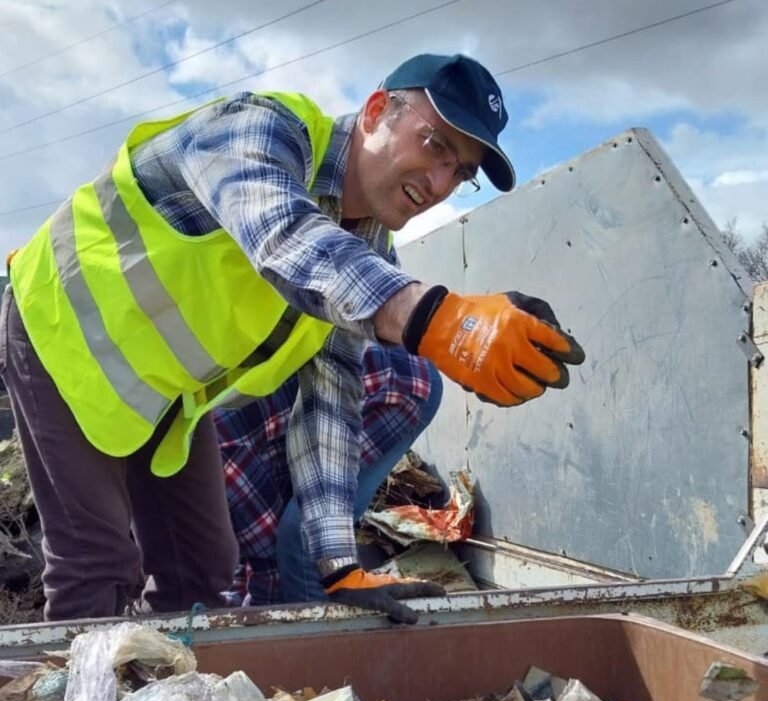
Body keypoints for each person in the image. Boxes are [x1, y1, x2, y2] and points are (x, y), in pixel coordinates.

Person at [1, 52, 584, 623]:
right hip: (62, 330)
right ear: (378, 110)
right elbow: (281, 235)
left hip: (159, 387)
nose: (438, 182)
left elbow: (330, 406)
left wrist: (337, 564)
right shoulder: (259, 128)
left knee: (202, 569)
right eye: (435, 146)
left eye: (460, 173)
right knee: (97, 564)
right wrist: (431, 316)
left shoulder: (368, 248)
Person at [216, 343, 442, 621]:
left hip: (391, 386)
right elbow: (242, 555)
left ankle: (322, 653)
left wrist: (260, 634)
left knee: (304, 537)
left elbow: (271, 561)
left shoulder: (220, 459)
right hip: (319, 401)